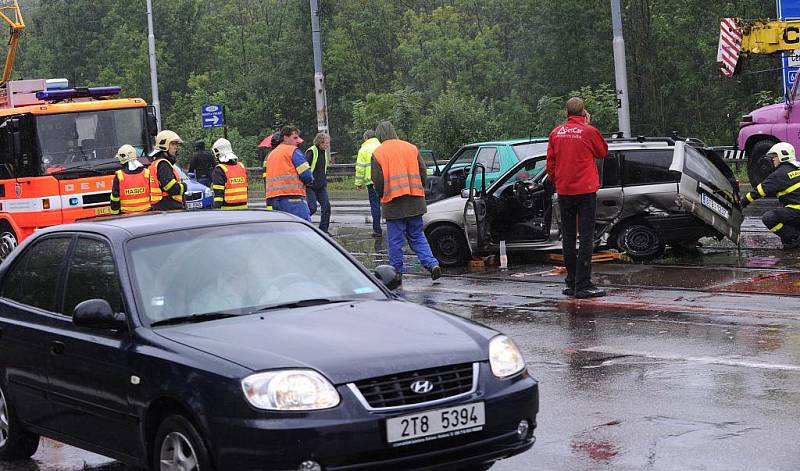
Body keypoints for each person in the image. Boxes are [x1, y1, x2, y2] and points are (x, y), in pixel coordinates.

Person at [547, 97, 608, 299]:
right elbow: (602, 152)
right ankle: (583, 284)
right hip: (585, 190)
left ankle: (572, 281)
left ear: (566, 112)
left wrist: (559, 181)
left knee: (569, 237)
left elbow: (551, 164)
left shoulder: (556, 133)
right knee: (586, 237)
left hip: (564, 191)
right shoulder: (589, 132)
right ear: (584, 112)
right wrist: (587, 125)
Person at [371, 121, 441, 281]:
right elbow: (423, 171)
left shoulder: (378, 153)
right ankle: (432, 264)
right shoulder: (411, 148)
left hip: (394, 203)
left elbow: (378, 180)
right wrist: (418, 187)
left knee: (395, 241)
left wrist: (381, 195)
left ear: (379, 135)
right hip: (415, 200)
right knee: (417, 236)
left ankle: (396, 273)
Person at [740, 141, 800, 249]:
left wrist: (742, 202)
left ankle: (794, 239)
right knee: (784, 212)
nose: (772, 160)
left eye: (774, 156)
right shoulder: (797, 167)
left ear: (783, 156)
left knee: (770, 218)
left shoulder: (779, 174)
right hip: (796, 211)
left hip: (797, 210)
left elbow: (759, 191)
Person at [263, 126, 314, 221]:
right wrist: (309, 182)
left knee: (283, 229)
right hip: (292, 197)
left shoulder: (271, 154)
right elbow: (307, 175)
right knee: (302, 227)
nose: (297, 141)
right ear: (285, 137)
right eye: (294, 138)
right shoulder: (293, 151)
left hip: (274, 199)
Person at [148, 130, 185, 211]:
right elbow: (172, 189)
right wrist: (184, 187)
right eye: (173, 144)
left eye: (176, 144)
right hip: (169, 207)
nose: (176, 147)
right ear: (164, 145)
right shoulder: (163, 164)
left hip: (162, 208)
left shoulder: (156, 163)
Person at [356, 130, 383, 237]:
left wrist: (358, 183)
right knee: (387, 204)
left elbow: (360, 168)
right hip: (384, 180)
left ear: (366, 138)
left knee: (375, 205)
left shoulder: (363, 149)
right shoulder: (381, 146)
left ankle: (377, 230)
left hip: (371, 182)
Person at [110, 145, 150, 215]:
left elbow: (115, 197)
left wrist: (115, 214)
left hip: (127, 217)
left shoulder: (119, 175)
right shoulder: (147, 173)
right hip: (146, 214)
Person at [305, 132, 332, 234]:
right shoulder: (311, 152)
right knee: (312, 208)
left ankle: (323, 231)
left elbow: (322, 169)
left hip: (321, 186)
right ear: (320, 142)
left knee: (326, 207)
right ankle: (301, 223)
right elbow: (304, 168)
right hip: (310, 186)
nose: (328, 145)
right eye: (326, 143)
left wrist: (324, 181)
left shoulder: (323, 152)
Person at [210, 138, 248, 210]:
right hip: (244, 209)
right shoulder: (241, 166)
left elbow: (218, 194)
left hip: (227, 210)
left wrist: (216, 209)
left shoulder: (219, 170)